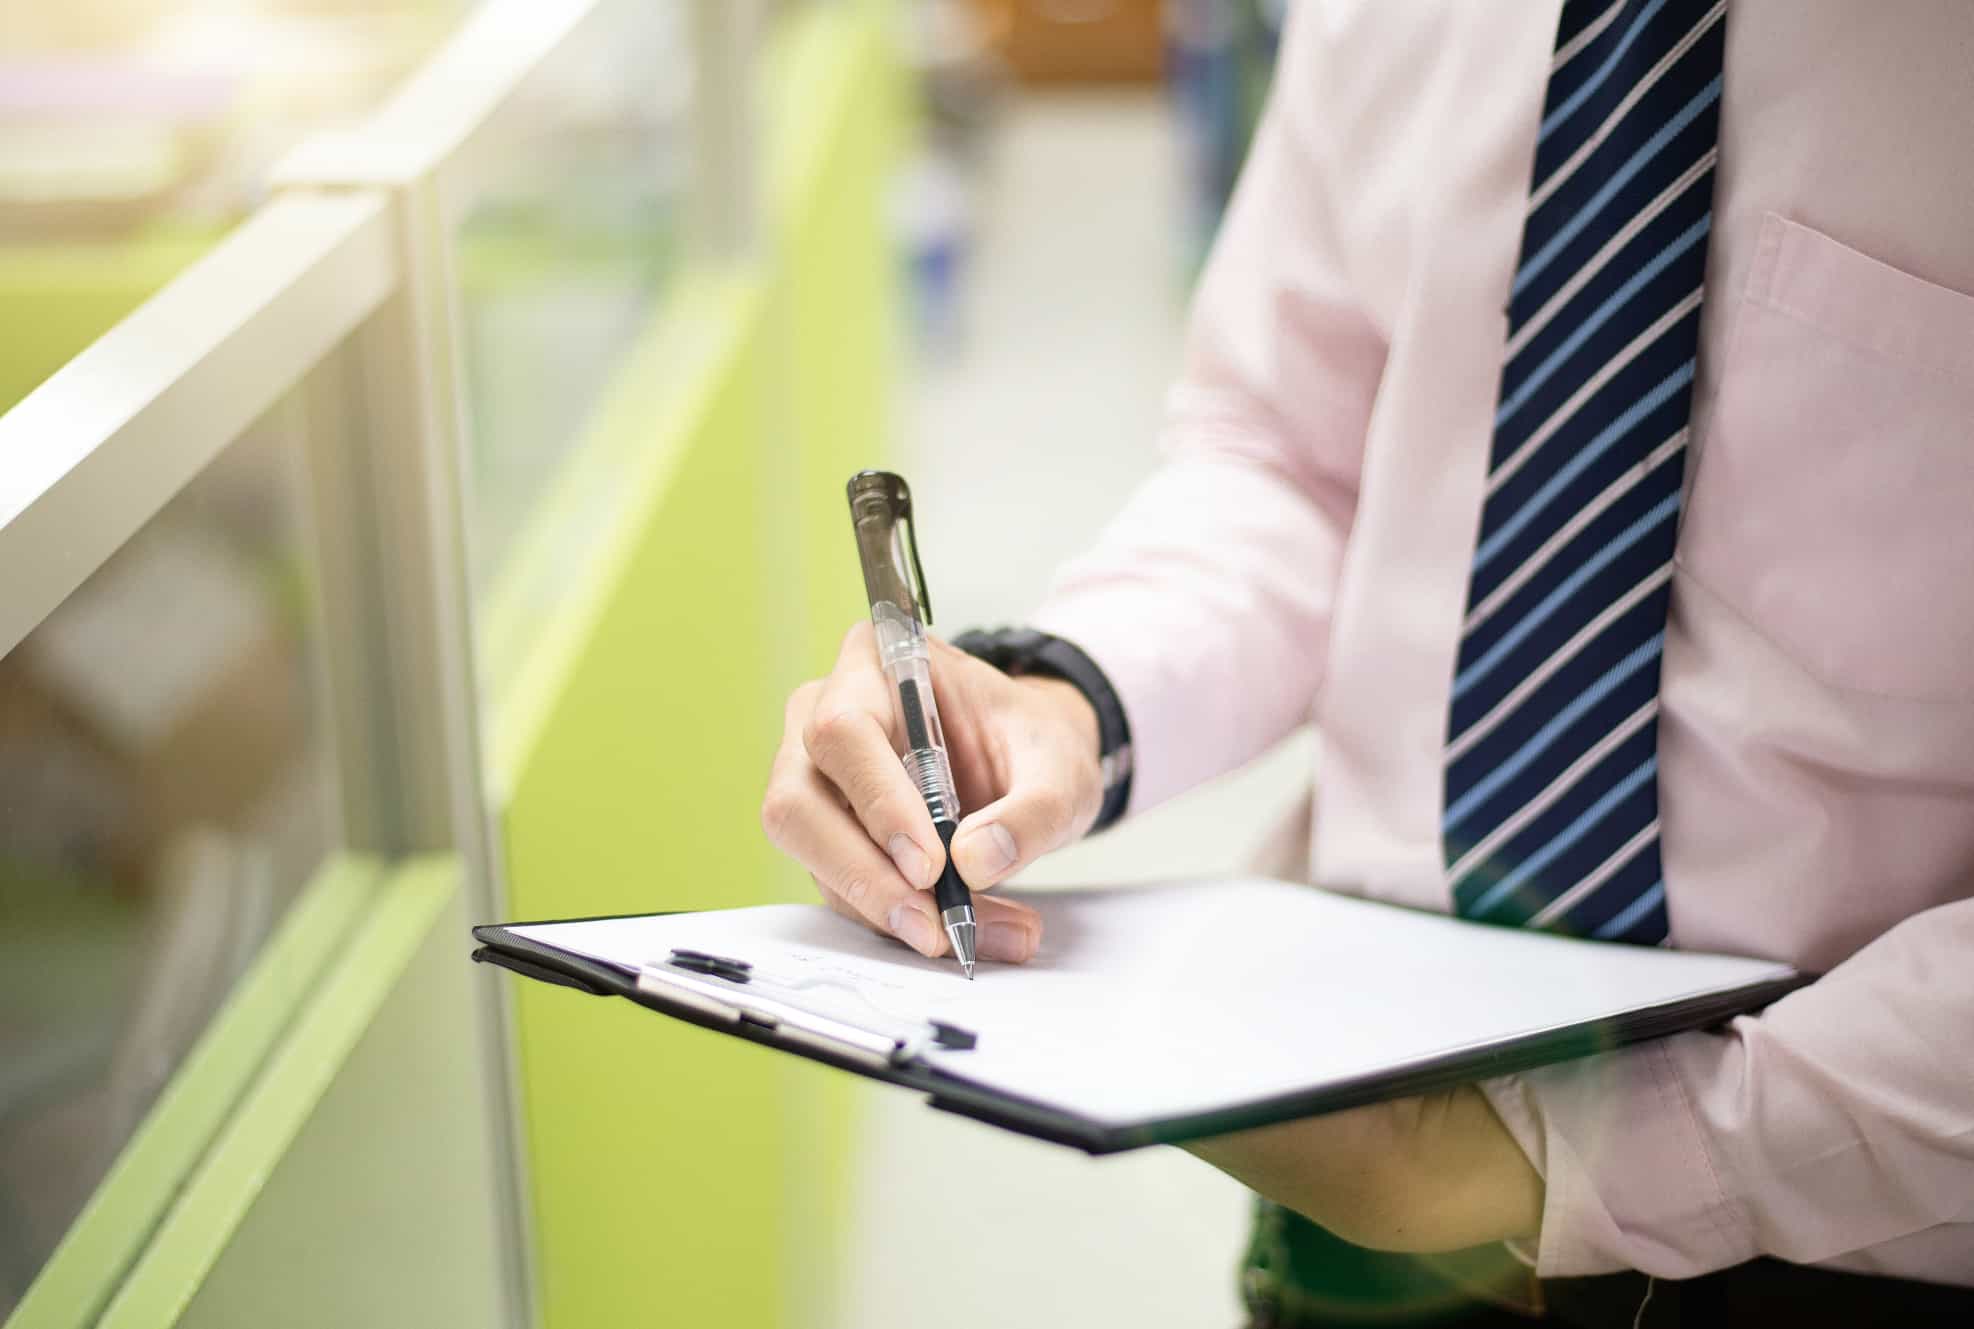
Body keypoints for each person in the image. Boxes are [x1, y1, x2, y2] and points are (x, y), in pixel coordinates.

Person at [760, 1, 1974, 1324]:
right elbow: (1289, 450)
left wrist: (1556, 1156)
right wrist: (1062, 697)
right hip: (1355, 1161)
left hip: (1851, 1238)